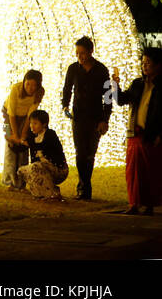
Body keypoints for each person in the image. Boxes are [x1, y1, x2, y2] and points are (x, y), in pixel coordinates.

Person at [108, 47, 162, 215]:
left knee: (150, 171)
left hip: (152, 135)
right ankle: (134, 204)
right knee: (133, 171)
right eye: (143, 63)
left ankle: (148, 205)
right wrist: (115, 86)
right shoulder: (138, 84)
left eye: (148, 63)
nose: (144, 66)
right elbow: (122, 100)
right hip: (135, 133)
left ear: (158, 65)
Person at [61, 37, 112, 201]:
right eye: (77, 53)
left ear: (91, 51)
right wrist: (65, 106)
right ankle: (83, 187)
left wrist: (105, 119)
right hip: (78, 117)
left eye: (82, 53)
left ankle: (84, 187)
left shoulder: (101, 70)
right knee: (80, 152)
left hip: (96, 117)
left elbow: (108, 96)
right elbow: (67, 88)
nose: (79, 56)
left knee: (90, 153)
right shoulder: (73, 69)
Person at [2, 70, 44, 191]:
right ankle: (9, 180)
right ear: (24, 82)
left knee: (23, 146)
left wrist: (23, 134)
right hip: (7, 115)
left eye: (34, 85)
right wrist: (14, 135)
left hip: (26, 118)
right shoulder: (16, 88)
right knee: (11, 144)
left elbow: (30, 116)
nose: (30, 88)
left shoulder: (40, 93)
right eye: (28, 84)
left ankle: (21, 183)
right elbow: (11, 113)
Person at [18, 110, 68, 200]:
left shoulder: (50, 134)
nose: (32, 126)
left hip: (58, 169)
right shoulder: (32, 136)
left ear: (44, 124)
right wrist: (15, 142)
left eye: (35, 123)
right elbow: (22, 147)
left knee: (36, 167)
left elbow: (44, 146)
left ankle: (51, 194)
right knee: (22, 170)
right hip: (42, 168)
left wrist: (28, 143)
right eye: (31, 123)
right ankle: (42, 194)